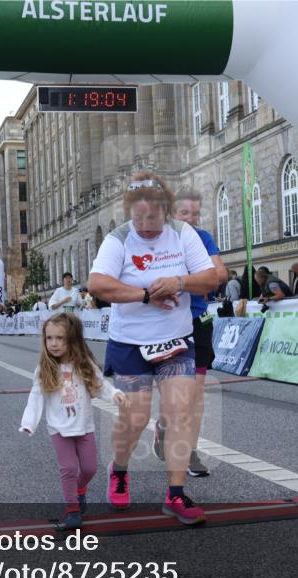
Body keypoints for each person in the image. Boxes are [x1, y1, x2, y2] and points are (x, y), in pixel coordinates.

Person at [87, 171, 219, 524]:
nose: (146, 226)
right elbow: (98, 285)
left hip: (176, 341)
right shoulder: (118, 240)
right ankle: (119, 469)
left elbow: (211, 278)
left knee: (179, 413)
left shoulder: (182, 233)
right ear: (129, 212)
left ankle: (175, 495)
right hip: (130, 342)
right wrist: (147, 294)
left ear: (167, 210)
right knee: (135, 418)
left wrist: (178, 281)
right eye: (139, 218)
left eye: (154, 218)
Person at [20, 313, 128, 530]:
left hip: (84, 426)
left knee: (89, 469)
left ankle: (80, 490)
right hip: (59, 428)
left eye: (60, 338)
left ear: (73, 340)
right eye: (49, 338)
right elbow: (36, 396)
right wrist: (29, 422)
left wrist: (114, 394)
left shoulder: (83, 364)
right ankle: (72, 509)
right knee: (68, 468)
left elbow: (99, 384)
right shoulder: (45, 368)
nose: (54, 343)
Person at [150, 188, 227, 477]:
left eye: (196, 213)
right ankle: (163, 426)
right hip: (169, 323)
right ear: (172, 214)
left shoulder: (204, 238)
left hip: (199, 320)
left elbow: (219, 275)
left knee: (194, 395)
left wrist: (180, 280)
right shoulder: (161, 241)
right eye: (185, 213)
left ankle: (190, 451)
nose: (192, 219)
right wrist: (197, 277)